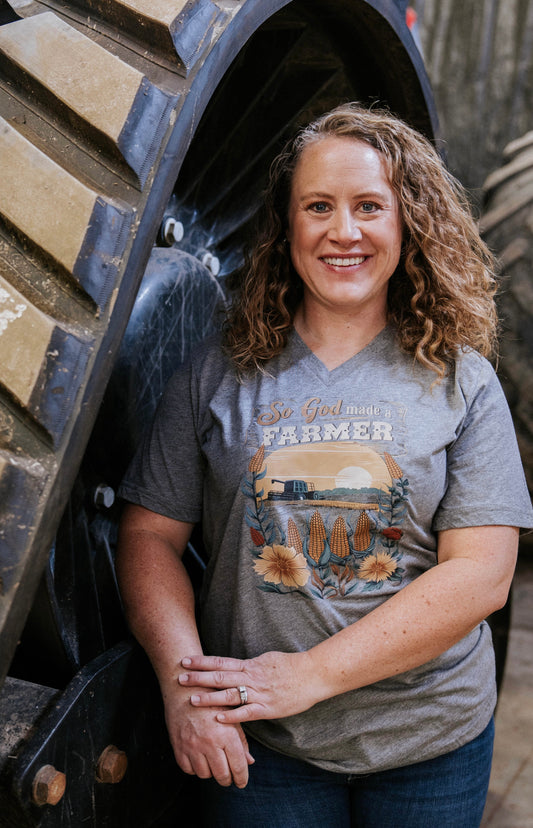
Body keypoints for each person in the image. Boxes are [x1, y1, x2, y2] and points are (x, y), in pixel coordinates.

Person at [116, 103, 533, 827]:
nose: (343, 231)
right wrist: (185, 686)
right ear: (286, 227)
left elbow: (481, 576)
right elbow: (149, 536)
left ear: (407, 223)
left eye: (369, 206)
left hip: (427, 739)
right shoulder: (217, 372)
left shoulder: (459, 379)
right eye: (318, 206)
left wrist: (308, 675)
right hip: (262, 739)